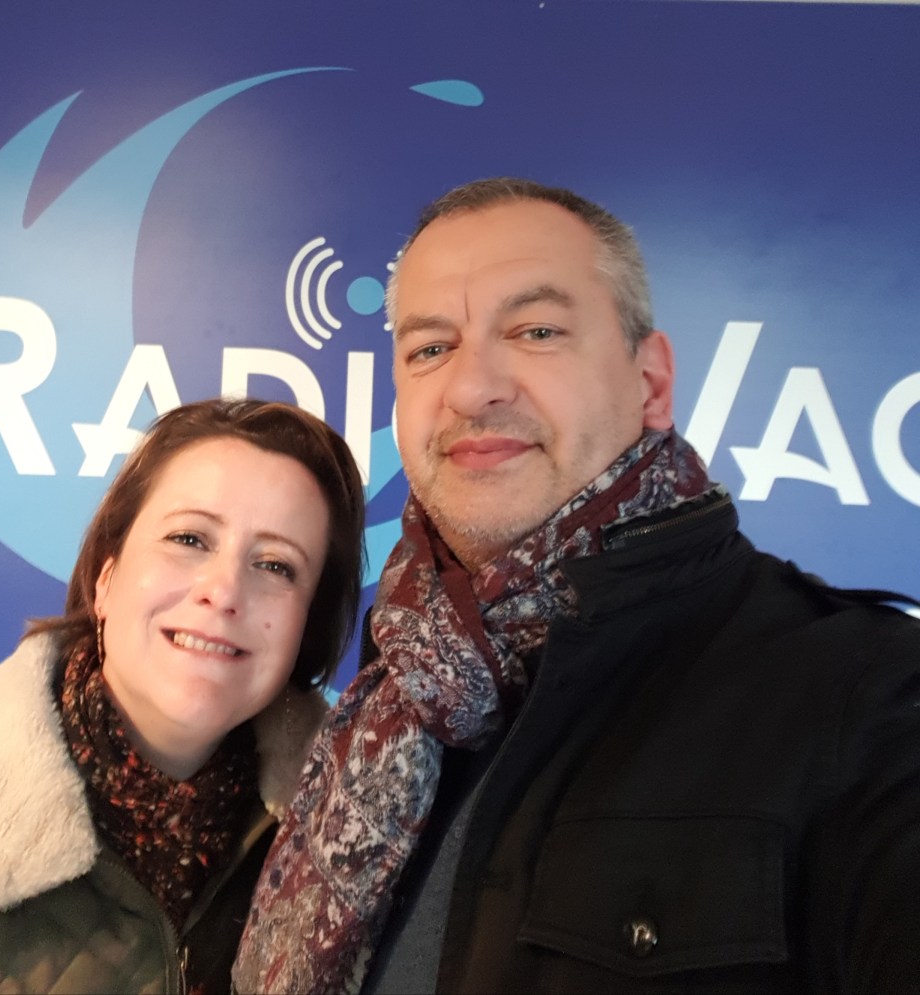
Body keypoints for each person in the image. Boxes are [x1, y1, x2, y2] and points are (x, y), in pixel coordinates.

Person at [235, 178, 920, 995]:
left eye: (536, 331)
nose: (471, 387)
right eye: (430, 348)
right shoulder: (394, 690)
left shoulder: (866, 696)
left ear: (650, 383)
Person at [0, 397, 365, 994]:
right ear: (106, 578)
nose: (224, 591)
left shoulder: (357, 857)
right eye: (189, 538)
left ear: (306, 627)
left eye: (276, 566)